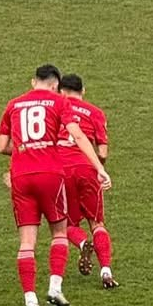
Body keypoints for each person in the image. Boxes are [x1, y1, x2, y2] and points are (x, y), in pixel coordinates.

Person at [0, 68, 109, 306]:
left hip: (21, 176)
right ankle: (55, 287)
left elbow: (2, 146)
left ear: (33, 82)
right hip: (50, 174)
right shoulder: (60, 101)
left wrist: (26, 147)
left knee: (27, 242)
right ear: (56, 86)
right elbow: (78, 135)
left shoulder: (14, 104)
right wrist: (99, 169)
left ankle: (30, 300)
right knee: (60, 231)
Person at [58, 73, 118, 290]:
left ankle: (83, 243)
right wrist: (100, 167)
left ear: (60, 91)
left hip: (61, 171)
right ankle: (106, 271)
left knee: (67, 224)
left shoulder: (56, 109)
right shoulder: (95, 113)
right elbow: (102, 151)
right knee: (97, 223)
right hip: (86, 168)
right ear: (83, 91)